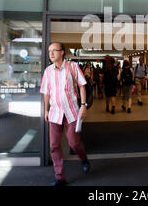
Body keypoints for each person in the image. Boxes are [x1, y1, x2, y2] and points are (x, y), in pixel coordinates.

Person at [40, 42, 90, 187]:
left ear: (62, 52)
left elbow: (82, 85)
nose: (51, 53)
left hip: (72, 111)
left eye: (54, 50)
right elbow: (46, 92)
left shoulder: (72, 67)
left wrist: (83, 106)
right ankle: (60, 177)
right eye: (49, 51)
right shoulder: (48, 71)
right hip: (55, 113)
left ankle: (84, 158)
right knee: (54, 146)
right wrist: (46, 109)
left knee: (74, 142)